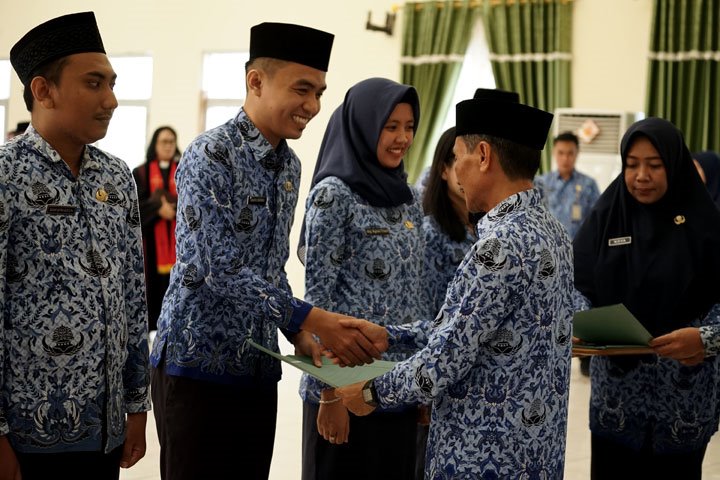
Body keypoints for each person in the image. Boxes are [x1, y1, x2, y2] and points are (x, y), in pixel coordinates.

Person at [149, 22, 387, 480]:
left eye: (319, 92)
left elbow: (271, 268)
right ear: (255, 81)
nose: (313, 106)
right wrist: (312, 319)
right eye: (302, 89)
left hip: (257, 366)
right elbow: (218, 269)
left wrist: (297, 333)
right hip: (196, 367)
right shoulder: (209, 154)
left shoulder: (289, 166)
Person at [337, 93, 575, 478]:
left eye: (457, 156)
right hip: (536, 453)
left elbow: (444, 359)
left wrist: (371, 392)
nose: (456, 173)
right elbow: (471, 330)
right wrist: (391, 336)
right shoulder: (553, 232)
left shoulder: (499, 247)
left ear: (482, 156)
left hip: (479, 458)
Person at [0, 11, 150, 480]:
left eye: (112, 83)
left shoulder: (117, 177)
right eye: (94, 83)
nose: (111, 100)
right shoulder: (6, 176)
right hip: (27, 437)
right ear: (43, 90)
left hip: (104, 430)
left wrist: (137, 404)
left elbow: (133, 296)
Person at [572, 117, 720, 480]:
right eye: (632, 164)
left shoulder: (707, 226)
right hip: (616, 401)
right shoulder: (606, 217)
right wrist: (579, 325)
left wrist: (705, 339)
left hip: (683, 398)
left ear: (675, 165)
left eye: (655, 165)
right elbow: (576, 285)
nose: (641, 176)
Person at [297, 77, 426, 480]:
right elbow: (318, 303)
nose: (402, 138)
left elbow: (417, 296)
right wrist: (329, 394)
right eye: (391, 127)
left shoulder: (410, 198)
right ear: (364, 127)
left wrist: (422, 385)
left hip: (398, 386)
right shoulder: (333, 196)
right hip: (346, 387)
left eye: (409, 127)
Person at [414, 125, 475, 479]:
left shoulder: (484, 228)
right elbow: (425, 314)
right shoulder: (431, 233)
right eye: (459, 161)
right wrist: (425, 389)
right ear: (443, 170)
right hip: (439, 377)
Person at [132, 126, 181, 334]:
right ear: (155, 144)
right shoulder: (141, 173)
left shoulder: (183, 169)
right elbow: (135, 207)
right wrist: (158, 209)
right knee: (153, 290)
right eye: (164, 141)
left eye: (172, 141)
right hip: (151, 244)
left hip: (179, 246)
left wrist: (173, 210)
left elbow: (193, 201)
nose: (168, 146)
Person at [535, 131, 601, 240]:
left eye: (570, 153)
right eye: (560, 153)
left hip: (578, 245)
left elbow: (596, 219)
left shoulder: (589, 184)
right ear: (554, 152)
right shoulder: (541, 182)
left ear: (577, 153)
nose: (565, 158)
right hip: (548, 245)